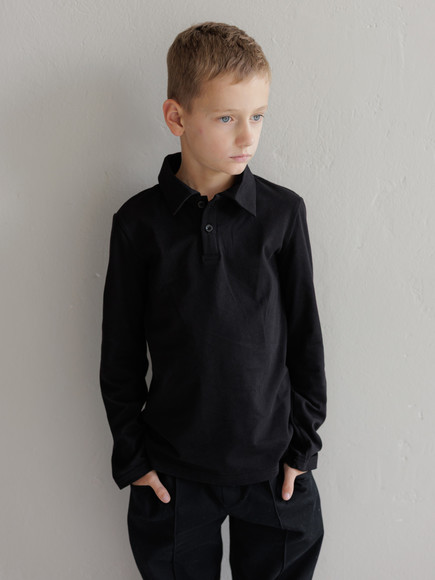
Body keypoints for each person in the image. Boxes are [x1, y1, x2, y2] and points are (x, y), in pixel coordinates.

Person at [99, 22, 327, 580]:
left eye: (258, 116)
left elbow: (305, 338)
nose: (247, 136)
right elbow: (120, 353)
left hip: (274, 474)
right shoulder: (138, 224)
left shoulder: (282, 214)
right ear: (177, 117)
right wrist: (133, 459)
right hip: (173, 479)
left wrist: (302, 448)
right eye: (227, 118)